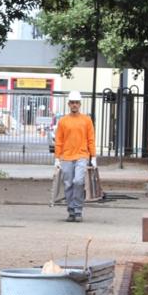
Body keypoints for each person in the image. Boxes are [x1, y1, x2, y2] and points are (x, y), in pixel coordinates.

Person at [54, 90, 96, 222]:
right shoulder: (63, 121)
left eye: (76, 103)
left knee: (78, 181)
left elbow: (91, 139)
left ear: (80, 104)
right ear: (68, 104)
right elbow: (59, 140)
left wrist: (93, 157)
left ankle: (78, 209)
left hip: (82, 156)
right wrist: (57, 158)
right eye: (72, 102)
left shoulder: (86, 120)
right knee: (68, 185)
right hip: (66, 157)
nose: (74, 105)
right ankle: (71, 211)